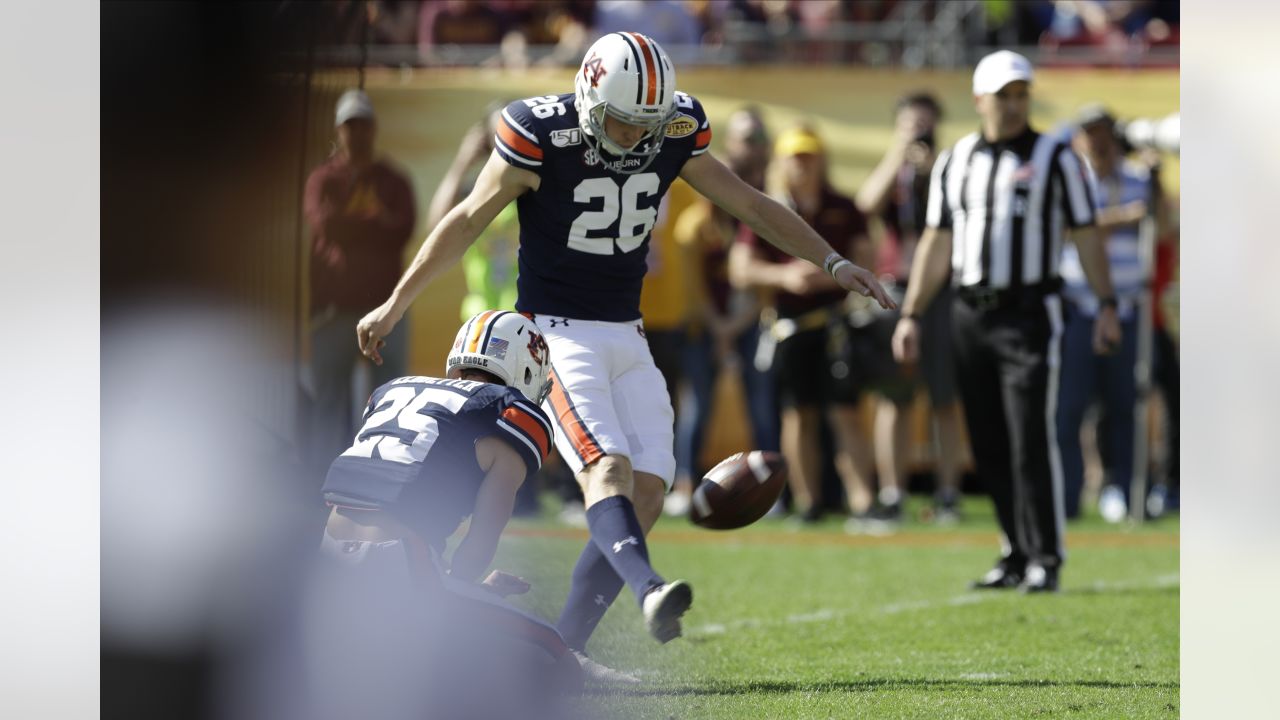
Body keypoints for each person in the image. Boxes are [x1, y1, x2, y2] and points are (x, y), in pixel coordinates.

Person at [355, 31, 894, 677]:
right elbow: (468, 218)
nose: (636, 138)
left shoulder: (675, 127)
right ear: (587, 96)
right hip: (554, 331)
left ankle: (566, 654)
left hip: (627, 333)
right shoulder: (538, 132)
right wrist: (396, 302)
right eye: (622, 120)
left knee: (645, 490)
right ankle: (650, 589)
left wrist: (831, 260)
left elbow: (749, 204)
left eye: (648, 124)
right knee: (603, 469)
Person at [892, 50, 1121, 593]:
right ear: (980, 100)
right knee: (988, 439)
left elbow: (1086, 235)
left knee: (1029, 436)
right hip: (970, 311)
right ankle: (1013, 550)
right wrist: (912, 314)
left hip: (1029, 312)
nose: (1014, 105)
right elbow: (937, 242)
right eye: (1003, 96)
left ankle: (1046, 556)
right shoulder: (956, 160)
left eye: (1021, 95)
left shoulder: (1057, 157)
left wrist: (1106, 303)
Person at [314, 310, 582, 716]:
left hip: (326, 561)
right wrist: (465, 588)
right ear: (526, 369)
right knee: (555, 656)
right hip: (400, 565)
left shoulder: (394, 389)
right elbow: (479, 543)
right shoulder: (508, 413)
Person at [730, 126, 880, 525]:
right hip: (789, 327)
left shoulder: (843, 206)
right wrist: (785, 278)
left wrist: (831, 275)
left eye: (810, 156)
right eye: (796, 157)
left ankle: (864, 502)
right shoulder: (769, 208)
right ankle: (808, 501)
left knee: (845, 413)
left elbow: (867, 258)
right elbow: (740, 269)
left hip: (835, 325)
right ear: (782, 161)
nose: (803, 165)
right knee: (798, 415)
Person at [1056, 104, 1169, 522]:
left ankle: (1128, 492)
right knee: (1069, 408)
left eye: (1104, 132)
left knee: (1126, 407)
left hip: (1128, 309)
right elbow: (1070, 228)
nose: (1098, 141)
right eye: (1090, 133)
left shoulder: (1138, 181)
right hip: (1080, 307)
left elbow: (1167, 226)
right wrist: (1125, 217)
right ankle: (1067, 498)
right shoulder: (1072, 181)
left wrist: (1156, 188)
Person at [857, 91, 966, 523]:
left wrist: (934, 167)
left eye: (925, 124)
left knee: (944, 396)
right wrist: (897, 156)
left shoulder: (950, 167)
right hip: (896, 288)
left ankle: (948, 495)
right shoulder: (895, 167)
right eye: (910, 124)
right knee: (894, 396)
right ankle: (893, 492)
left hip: (942, 290)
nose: (918, 132)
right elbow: (865, 205)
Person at [666, 107, 777, 517]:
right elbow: (693, 290)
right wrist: (719, 329)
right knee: (698, 405)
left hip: (746, 324)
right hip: (704, 327)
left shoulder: (761, 216)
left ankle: (772, 487)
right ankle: (685, 484)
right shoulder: (695, 226)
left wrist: (735, 327)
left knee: (762, 403)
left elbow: (762, 284)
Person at [303, 88, 417, 475]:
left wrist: (353, 225)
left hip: (386, 310)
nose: (358, 133)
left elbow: (402, 228)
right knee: (328, 402)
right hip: (333, 310)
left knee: (392, 400)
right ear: (339, 129)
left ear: (374, 128)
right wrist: (374, 223)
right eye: (351, 125)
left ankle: (382, 475)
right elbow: (326, 224)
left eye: (364, 125)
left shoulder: (392, 179)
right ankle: (319, 481)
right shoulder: (323, 179)